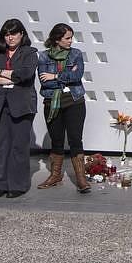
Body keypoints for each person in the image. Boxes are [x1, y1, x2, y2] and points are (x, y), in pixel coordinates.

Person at [0, 18, 38, 198]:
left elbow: (25, 74)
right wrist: (8, 76)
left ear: (21, 34)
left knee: (19, 147)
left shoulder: (29, 52)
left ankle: (17, 185)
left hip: (21, 104)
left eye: (13, 33)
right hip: (0, 104)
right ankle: (1, 183)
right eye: (6, 34)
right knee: (2, 146)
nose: (10, 38)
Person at [38, 23, 91, 194]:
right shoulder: (44, 57)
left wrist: (55, 76)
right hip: (52, 102)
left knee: (76, 139)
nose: (71, 41)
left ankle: (81, 178)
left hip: (74, 100)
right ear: (57, 39)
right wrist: (64, 77)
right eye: (67, 38)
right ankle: (55, 175)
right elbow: (44, 82)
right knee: (57, 140)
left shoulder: (75, 54)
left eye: (71, 37)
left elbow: (77, 75)